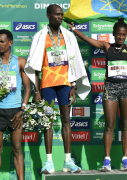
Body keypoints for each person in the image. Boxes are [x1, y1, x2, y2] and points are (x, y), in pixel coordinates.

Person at [67, 18, 127, 171]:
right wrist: (74, 30)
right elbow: (88, 39)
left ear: (126, 35)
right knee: (109, 125)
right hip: (110, 88)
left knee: (126, 125)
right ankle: (106, 161)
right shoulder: (107, 47)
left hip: (126, 88)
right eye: (119, 34)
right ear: (114, 34)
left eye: (124, 35)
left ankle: (125, 161)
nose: (121, 37)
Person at [24, 4, 90, 174]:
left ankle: (68, 161)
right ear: (48, 16)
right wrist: (36, 91)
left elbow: (74, 63)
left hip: (65, 83)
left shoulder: (68, 36)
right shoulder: (40, 37)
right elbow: (35, 66)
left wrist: (74, 86)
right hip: (47, 84)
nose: (60, 17)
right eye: (57, 15)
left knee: (66, 120)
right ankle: (48, 162)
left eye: (61, 15)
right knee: (48, 122)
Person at [0, 29, 31, 180]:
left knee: (17, 149)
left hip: (15, 112)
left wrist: (22, 109)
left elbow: (28, 88)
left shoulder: (20, 61)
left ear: (10, 43)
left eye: (2, 41)